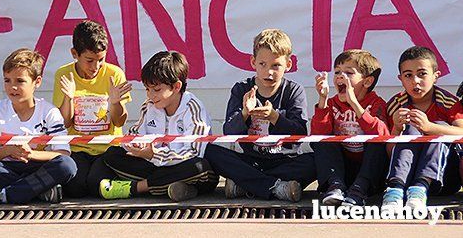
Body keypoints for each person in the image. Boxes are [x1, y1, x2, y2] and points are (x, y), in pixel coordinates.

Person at [204, 29, 315, 202]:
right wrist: (245, 113)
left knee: (316, 159)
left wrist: (274, 117)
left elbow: (299, 134)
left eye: (276, 65)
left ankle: (246, 184)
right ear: (253, 62)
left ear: (288, 65)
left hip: (285, 160)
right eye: (262, 64)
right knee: (210, 151)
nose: (268, 72)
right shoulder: (241, 89)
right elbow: (229, 133)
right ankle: (276, 187)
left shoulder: (294, 90)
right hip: (251, 160)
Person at [99, 51, 214, 202]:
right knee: (112, 154)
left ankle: (136, 188)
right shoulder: (149, 106)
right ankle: (177, 188)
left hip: (182, 167)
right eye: (147, 89)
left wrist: (154, 155)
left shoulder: (193, 108)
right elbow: (133, 133)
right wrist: (135, 144)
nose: (150, 95)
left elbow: (194, 152)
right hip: (155, 166)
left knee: (200, 167)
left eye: (157, 90)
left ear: (176, 86)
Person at [0, 49, 77, 205]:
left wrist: (30, 154)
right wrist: (9, 150)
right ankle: (37, 191)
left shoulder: (49, 111)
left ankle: (4, 196)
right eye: (7, 80)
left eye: (20, 81)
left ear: (37, 82)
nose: (13, 87)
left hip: (37, 166)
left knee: (67, 166)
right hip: (6, 167)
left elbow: (63, 153)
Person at [52, 20, 131, 197]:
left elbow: (119, 121)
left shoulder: (114, 73)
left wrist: (116, 102)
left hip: (108, 148)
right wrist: (69, 97)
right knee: (75, 188)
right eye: (89, 60)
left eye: (100, 60)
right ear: (75, 54)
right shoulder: (64, 74)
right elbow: (65, 122)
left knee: (97, 184)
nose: (95, 67)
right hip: (78, 148)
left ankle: (126, 184)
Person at [380, 46, 463, 213]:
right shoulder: (395, 105)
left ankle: (420, 188)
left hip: (444, 179)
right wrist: (396, 128)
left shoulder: (448, 101)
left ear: (436, 76)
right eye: (408, 75)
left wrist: (430, 127)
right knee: (410, 130)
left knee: (441, 127)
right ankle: (394, 191)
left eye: (422, 74)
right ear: (400, 79)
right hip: (404, 180)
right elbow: (388, 152)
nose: (415, 81)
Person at [311, 49, 389, 206]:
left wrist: (354, 104)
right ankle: (335, 186)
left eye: (348, 73)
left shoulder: (377, 103)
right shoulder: (331, 103)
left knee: (377, 144)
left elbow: (383, 135)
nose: (340, 76)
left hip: (369, 172)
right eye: (337, 72)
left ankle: (360, 190)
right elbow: (318, 135)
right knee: (323, 142)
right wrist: (323, 100)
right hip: (343, 170)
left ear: (367, 82)